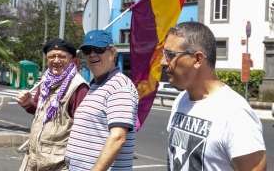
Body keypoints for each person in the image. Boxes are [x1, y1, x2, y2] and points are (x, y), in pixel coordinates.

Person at [162, 22, 266, 171]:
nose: (163, 62)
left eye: (170, 55)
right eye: (164, 54)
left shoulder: (236, 113)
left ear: (198, 59)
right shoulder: (181, 100)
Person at [65, 30, 139, 170]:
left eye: (98, 49)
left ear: (112, 52)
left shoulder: (120, 87)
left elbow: (118, 137)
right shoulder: (96, 85)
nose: (92, 54)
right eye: (87, 50)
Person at [16, 38, 89, 171]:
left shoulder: (78, 87)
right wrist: (28, 104)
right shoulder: (45, 82)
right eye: (51, 57)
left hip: (59, 164)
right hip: (34, 159)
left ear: (73, 60)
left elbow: (83, 129)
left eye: (61, 56)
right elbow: (39, 110)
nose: (56, 60)